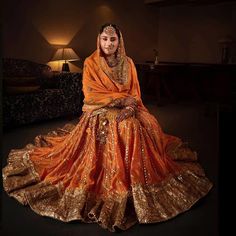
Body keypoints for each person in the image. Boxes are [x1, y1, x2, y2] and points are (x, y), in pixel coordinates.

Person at [2, 23, 213, 232]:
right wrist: (120, 101)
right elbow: (91, 94)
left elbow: (135, 93)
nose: (109, 43)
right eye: (105, 38)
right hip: (100, 109)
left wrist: (131, 107)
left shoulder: (128, 62)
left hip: (129, 107)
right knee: (126, 128)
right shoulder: (91, 63)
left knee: (148, 123)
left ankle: (138, 178)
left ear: (119, 41)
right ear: (99, 40)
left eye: (113, 39)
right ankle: (118, 181)